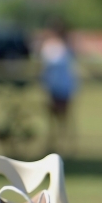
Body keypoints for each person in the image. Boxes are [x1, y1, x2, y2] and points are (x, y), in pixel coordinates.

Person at [39, 20, 78, 155]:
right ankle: (52, 144)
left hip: (64, 86)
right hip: (51, 86)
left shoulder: (66, 47)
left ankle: (67, 145)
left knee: (64, 117)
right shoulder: (48, 46)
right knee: (51, 117)